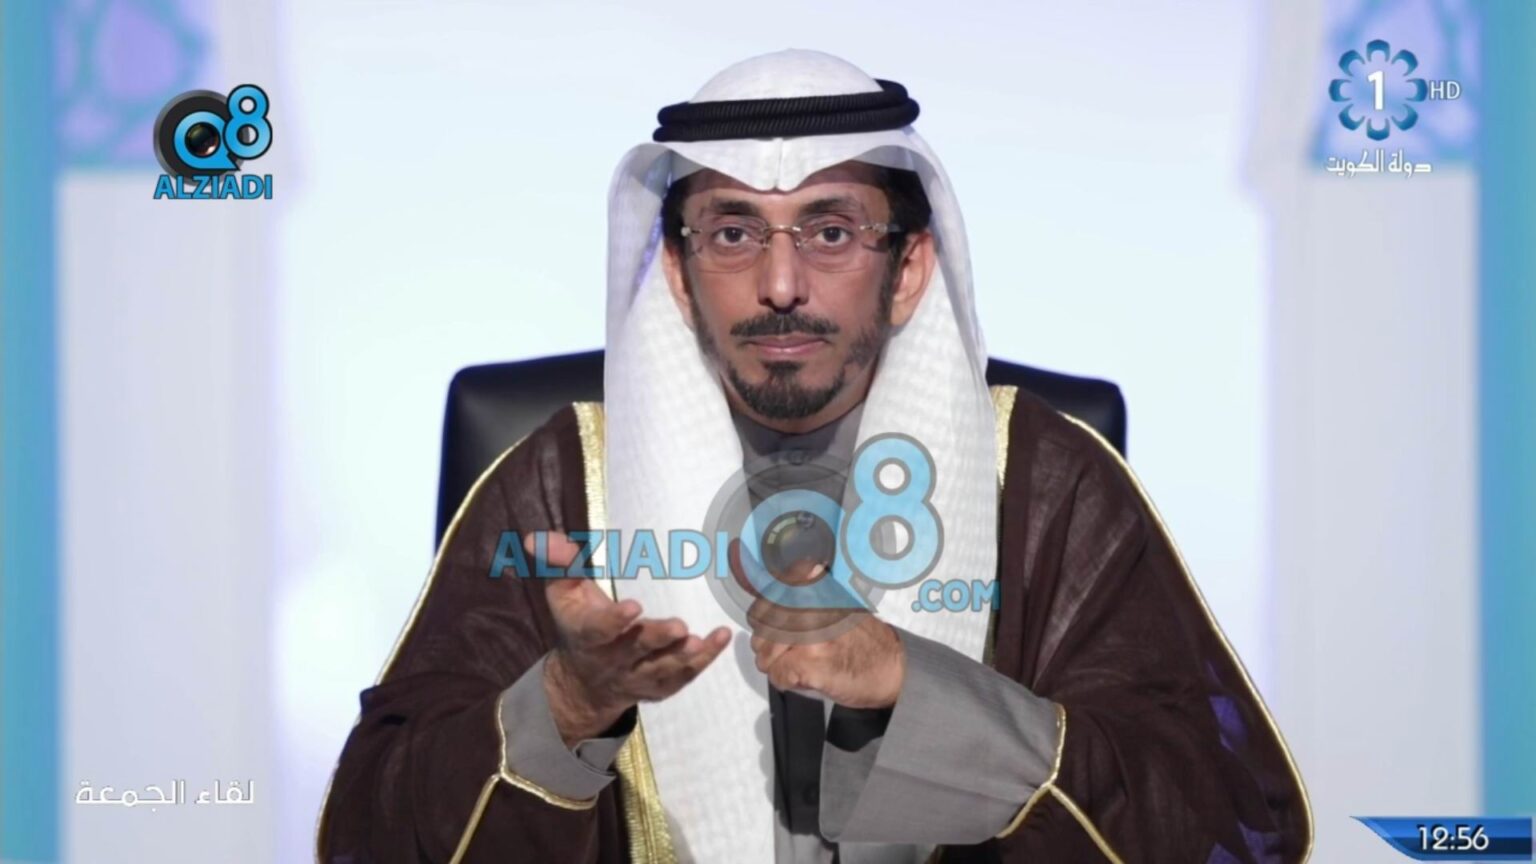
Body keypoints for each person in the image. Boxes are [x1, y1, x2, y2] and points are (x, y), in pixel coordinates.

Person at [317, 49, 1311, 864]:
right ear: (678, 272)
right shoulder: (559, 484)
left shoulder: (1046, 480)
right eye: (734, 233)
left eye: (831, 232)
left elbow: (1222, 819)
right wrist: (570, 704)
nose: (782, 283)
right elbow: (372, 829)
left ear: (908, 268)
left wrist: (920, 687)